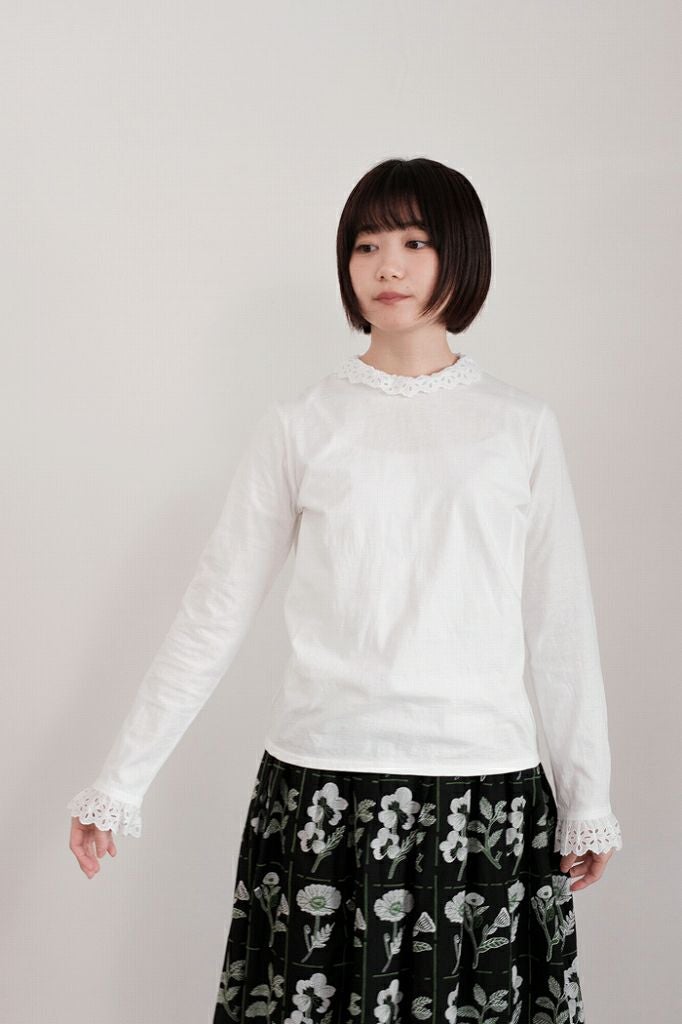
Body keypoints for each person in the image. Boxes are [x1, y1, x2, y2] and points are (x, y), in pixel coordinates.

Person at [67, 156, 623, 1021]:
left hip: (485, 791)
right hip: (324, 792)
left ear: (462, 254)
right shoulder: (303, 425)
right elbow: (214, 613)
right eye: (366, 245)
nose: (388, 266)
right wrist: (120, 781)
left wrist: (588, 797)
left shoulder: (520, 428)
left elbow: (560, 624)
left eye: (415, 242)